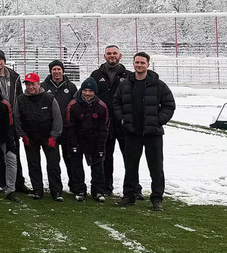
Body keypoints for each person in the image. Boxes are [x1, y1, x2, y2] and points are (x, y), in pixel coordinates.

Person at [113, 52, 175, 211]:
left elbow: (169, 105)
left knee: (156, 167)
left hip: (152, 133)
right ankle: (129, 195)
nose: (139, 65)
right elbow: (116, 102)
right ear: (133, 64)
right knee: (131, 165)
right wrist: (122, 119)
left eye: (142, 63)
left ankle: (157, 198)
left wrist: (158, 120)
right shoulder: (126, 84)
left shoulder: (159, 85)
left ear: (148, 64)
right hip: (132, 132)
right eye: (137, 63)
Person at [90, 45, 135, 197]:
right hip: (103, 124)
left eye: (114, 53)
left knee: (129, 157)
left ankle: (134, 188)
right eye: (109, 53)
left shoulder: (129, 75)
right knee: (106, 157)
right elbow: (90, 97)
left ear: (120, 55)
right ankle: (106, 187)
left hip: (123, 122)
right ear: (104, 56)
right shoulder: (96, 75)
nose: (112, 56)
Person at [0, 50, 29, 194]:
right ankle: (2, 182)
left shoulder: (14, 76)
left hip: (11, 119)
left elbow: (20, 97)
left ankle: (18, 182)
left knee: (14, 152)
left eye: (0, 59)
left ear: (4, 61)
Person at [14, 73, 64, 201]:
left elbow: (57, 119)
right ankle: (37, 190)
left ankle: (56, 191)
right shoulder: (20, 100)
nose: (30, 87)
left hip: (49, 137)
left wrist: (54, 136)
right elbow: (17, 119)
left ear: (38, 84)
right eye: (28, 84)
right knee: (33, 164)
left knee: (53, 165)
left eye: (33, 84)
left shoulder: (49, 98)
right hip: (30, 138)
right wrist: (22, 135)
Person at [64, 77, 109, 203]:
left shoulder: (101, 106)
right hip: (77, 139)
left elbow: (104, 128)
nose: (87, 94)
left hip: (94, 140)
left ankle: (98, 191)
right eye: (85, 90)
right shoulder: (73, 105)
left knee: (97, 165)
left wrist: (100, 146)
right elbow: (69, 125)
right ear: (81, 90)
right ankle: (79, 190)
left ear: (95, 92)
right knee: (76, 165)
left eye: (90, 91)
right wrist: (73, 143)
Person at [41, 60, 78, 193]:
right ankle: (55, 188)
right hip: (50, 131)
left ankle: (74, 186)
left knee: (70, 160)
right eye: (54, 69)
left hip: (68, 130)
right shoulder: (43, 87)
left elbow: (76, 106)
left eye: (59, 69)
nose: (56, 72)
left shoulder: (71, 86)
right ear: (50, 71)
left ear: (63, 70)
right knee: (53, 161)